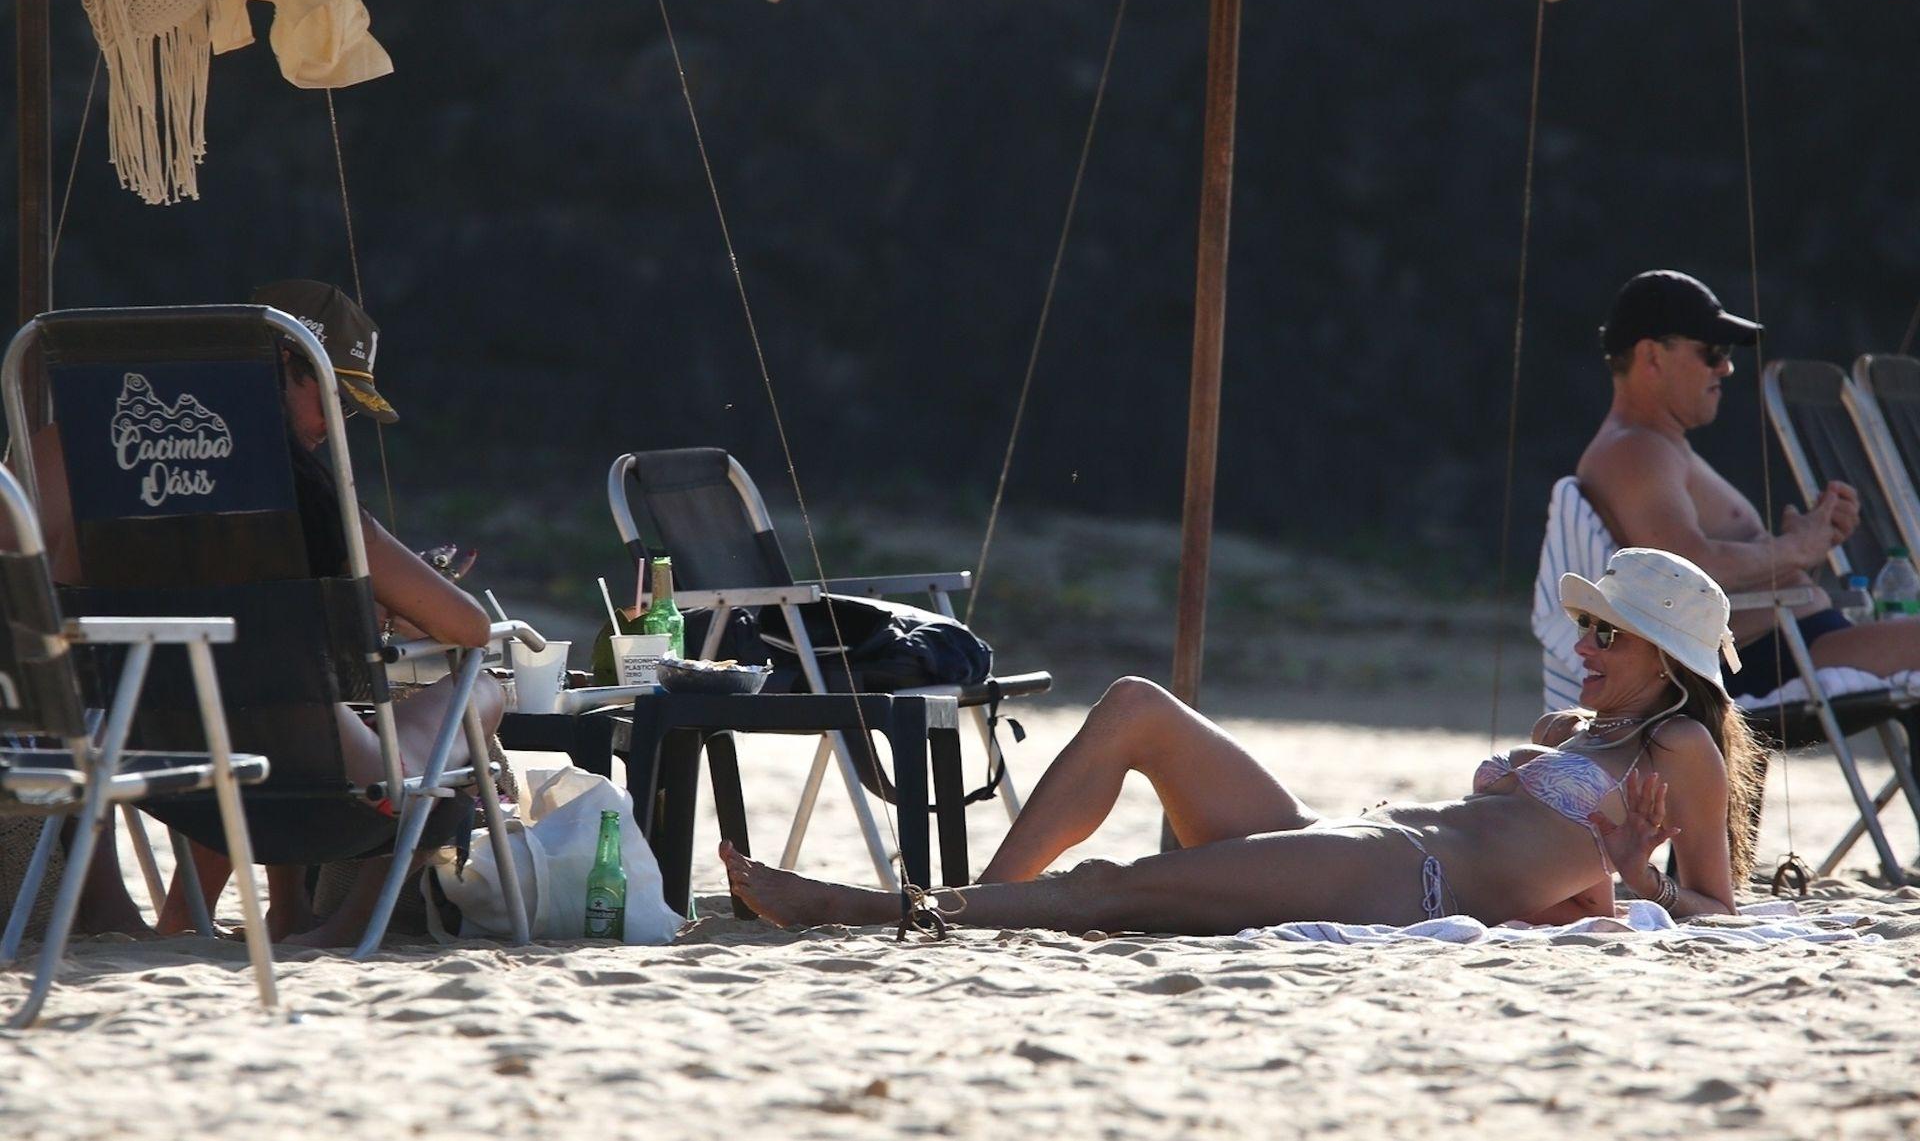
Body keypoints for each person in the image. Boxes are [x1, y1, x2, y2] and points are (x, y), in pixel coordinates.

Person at [722, 548, 1764, 933]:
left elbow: (1715, 908)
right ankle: (986, 905)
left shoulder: (1680, 750)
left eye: (1607, 633)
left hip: (1403, 879)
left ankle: (869, 907)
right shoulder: (1574, 729)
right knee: (1137, 704)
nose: (1582, 645)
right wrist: (1598, 884)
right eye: (1586, 625)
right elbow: (1556, 883)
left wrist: (1640, 878)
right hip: (1357, 838)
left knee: (1119, 886)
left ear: (1668, 659)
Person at [19, 280, 502, 944]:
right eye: (332, 398)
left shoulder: (77, 457)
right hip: (316, 790)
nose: (332, 425)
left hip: (149, 769)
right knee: (481, 686)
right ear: (281, 364)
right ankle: (341, 925)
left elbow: (26, 588)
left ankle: (140, 909)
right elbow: (470, 628)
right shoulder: (308, 498)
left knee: (206, 683)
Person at [1578, 268, 1920, 700]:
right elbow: (1685, 570)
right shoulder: (1635, 451)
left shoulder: (1658, 447)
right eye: (1712, 352)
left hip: (1794, 643)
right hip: (1765, 659)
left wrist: (1807, 544)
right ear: (1652, 356)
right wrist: (1796, 550)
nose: (1726, 367)